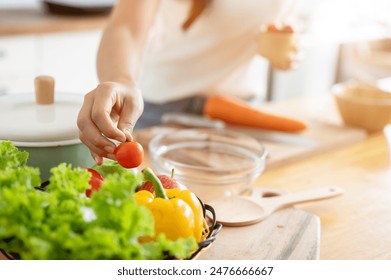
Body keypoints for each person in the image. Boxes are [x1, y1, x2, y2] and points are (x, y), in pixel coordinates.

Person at [77, 0, 300, 165]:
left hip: (240, 114)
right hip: (161, 112)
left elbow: (279, 22)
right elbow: (125, 26)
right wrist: (121, 80)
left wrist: (285, 47)